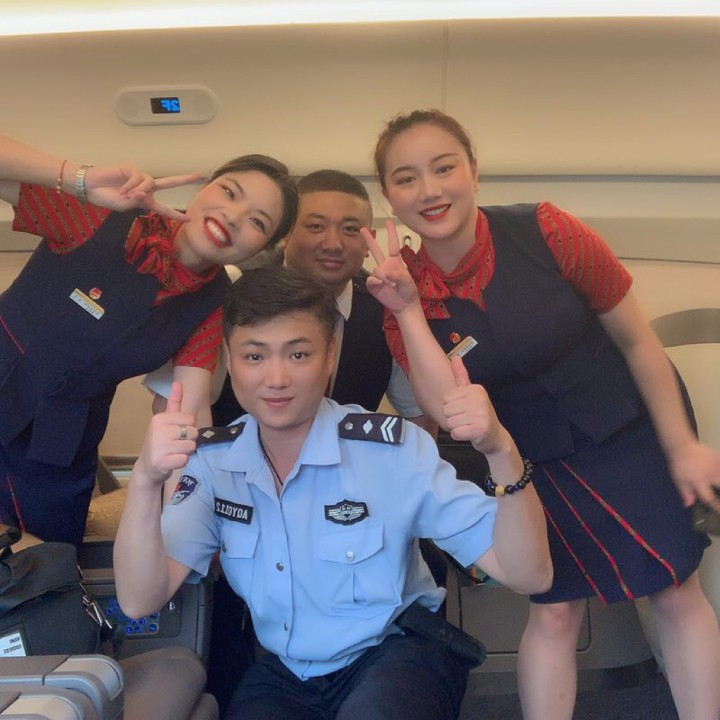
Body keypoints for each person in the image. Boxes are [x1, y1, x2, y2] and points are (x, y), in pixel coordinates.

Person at [363, 109, 720, 720]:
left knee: (673, 587)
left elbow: (638, 342)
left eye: (444, 168)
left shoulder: (548, 230)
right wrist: (408, 310)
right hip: (527, 461)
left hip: (627, 431)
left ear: (474, 171)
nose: (429, 189)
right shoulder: (402, 287)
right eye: (406, 178)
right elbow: (444, 409)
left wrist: (682, 445)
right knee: (554, 608)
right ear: (389, 197)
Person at [113, 265, 552, 720]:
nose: (276, 378)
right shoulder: (212, 462)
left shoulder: (390, 451)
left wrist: (500, 448)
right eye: (254, 356)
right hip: (286, 671)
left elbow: (529, 575)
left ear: (329, 356)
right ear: (229, 357)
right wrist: (146, 479)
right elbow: (139, 599)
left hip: (393, 654)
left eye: (298, 354)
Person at [0, 134, 298, 547]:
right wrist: (78, 178)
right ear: (203, 189)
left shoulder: (211, 304)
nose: (233, 217)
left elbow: (188, 413)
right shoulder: (102, 215)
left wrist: (188, 523)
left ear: (261, 249)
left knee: (44, 564)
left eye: (257, 222)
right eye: (230, 192)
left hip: (58, 443)